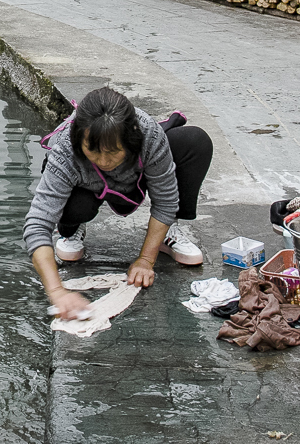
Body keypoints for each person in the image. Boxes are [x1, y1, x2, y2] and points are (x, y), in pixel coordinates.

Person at [22, 87, 214, 320]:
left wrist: (145, 260)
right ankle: (71, 230)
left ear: (130, 140)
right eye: (93, 151)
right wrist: (57, 291)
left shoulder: (148, 135)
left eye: (112, 152)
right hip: (87, 189)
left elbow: (165, 200)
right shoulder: (65, 149)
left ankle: (166, 232)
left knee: (195, 141)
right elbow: (37, 225)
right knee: (76, 207)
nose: (103, 161)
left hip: (135, 179)